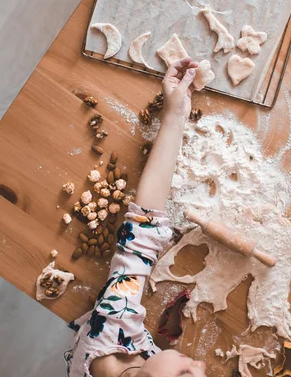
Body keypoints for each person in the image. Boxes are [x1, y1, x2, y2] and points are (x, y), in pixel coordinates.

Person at [65, 58, 207, 377]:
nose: (201, 364)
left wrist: (173, 116)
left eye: (186, 375)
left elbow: (141, 231)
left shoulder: (112, 329)